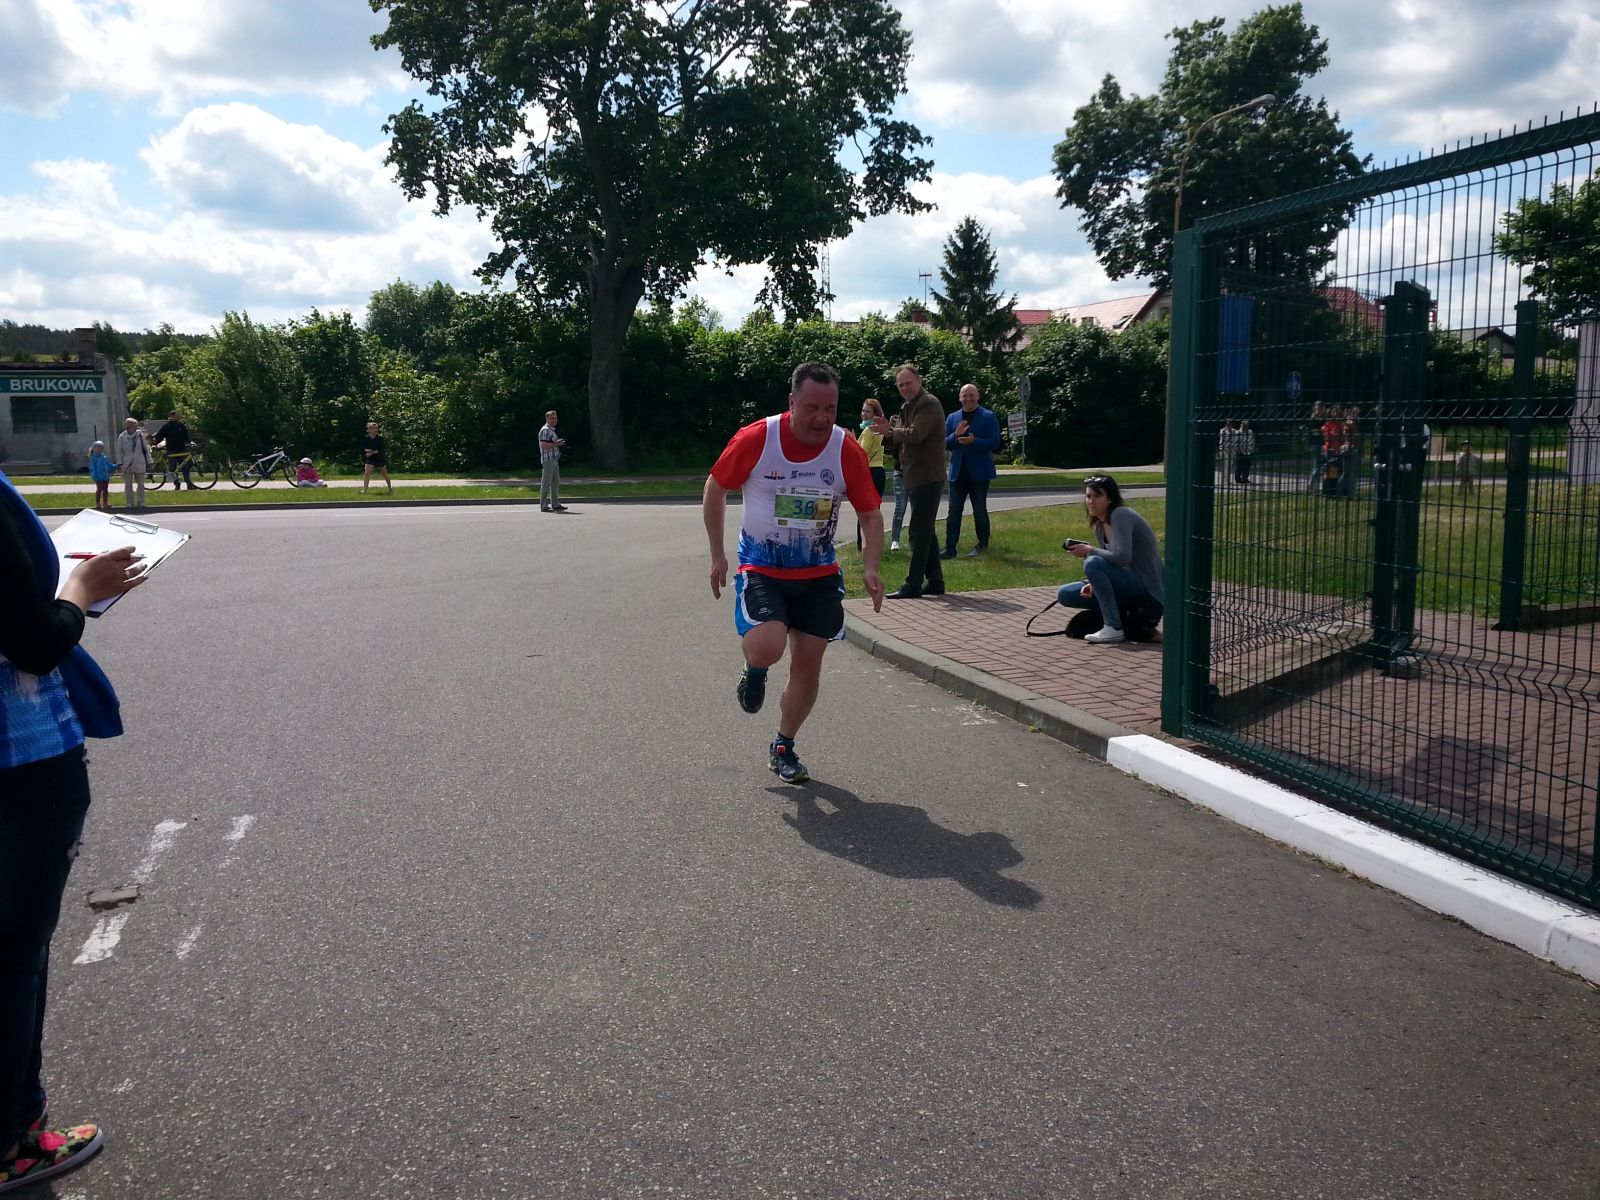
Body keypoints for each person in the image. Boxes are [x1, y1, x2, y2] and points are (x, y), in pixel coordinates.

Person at [0, 466, 145, 1194]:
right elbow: (32, 641)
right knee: (11, 956)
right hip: (18, 758)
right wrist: (80, 590)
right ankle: (11, 1139)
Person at [703, 361, 885, 785]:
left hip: (818, 575)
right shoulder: (758, 438)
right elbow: (715, 488)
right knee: (767, 645)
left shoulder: (845, 449)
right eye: (812, 408)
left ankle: (784, 745)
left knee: (808, 664)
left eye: (830, 408)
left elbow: (870, 514)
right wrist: (717, 555)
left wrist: (871, 566)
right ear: (792, 402)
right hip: (762, 568)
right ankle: (755, 671)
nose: (822, 418)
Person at [1058, 474, 1164, 645]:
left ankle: (1113, 627)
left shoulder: (1120, 515)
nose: (1091, 501)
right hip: (1126, 582)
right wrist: (1094, 583)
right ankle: (1121, 617)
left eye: (1097, 496)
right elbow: (1110, 562)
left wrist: (1089, 550)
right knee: (1065, 594)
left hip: (1147, 587)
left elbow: (1123, 558)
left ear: (1110, 498)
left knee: (1092, 562)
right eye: (1088, 496)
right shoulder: (1099, 525)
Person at [870, 365, 946, 598]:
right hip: (913, 475)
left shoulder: (929, 403)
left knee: (918, 532)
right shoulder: (907, 406)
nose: (904, 388)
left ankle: (913, 584)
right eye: (900, 385)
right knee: (926, 531)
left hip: (928, 475)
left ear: (919, 380)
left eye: (908, 383)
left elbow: (916, 434)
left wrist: (892, 431)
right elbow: (899, 439)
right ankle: (935, 581)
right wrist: (887, 433)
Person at [941, 382, 1000, 558]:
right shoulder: (952, 418)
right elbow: (943, 443)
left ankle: (982, 545)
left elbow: (994, 442)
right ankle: (950, 548)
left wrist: (974, 441)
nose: (968, 399)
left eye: (971, 395)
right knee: (953, 512)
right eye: (965, 395)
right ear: (960, 398)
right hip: (957, 473)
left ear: (978, 396)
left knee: (979, 511)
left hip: (979, 473)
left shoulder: (988, 416)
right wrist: (956, 435)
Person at [854, 398, 887, 550]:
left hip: (870, 472)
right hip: (879, 471)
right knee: (874, 512)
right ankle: (874, 544)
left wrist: (852, 442)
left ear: (875, 414)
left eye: (868, 411)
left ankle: (862, 546)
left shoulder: (869, 430)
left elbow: (862, 453)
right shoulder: (880, 428)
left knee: (864, 512)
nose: (864, 414)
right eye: (863, 411)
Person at [151, 409, 194, 490]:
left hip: (182, 449)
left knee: (185, 468)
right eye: (176, 416)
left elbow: (186, 436)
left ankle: (189, 485)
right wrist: (154, 444)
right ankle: (177, 484)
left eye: (178, 416)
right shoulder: (167, 426)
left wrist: (190, 442)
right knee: (173, 468)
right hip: (171, 450)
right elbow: (159, 436)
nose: (178, 417)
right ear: (171, 416)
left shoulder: (181, 425)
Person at [114, 418, 152, 510]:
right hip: (127, 463)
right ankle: (130, 502)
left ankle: (141, 502)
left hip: (139, 461)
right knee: (128, 484)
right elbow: (119, 451)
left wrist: (149, 460)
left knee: (140, 484)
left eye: (136, 426)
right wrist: (119, 463)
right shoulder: (122, 436)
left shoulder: (140, 435)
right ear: (128, 426)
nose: (135, 428)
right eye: (134, 426)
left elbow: (145, 448)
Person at [538, 410, 568, 513]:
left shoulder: (551, 430)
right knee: (546, 482)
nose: (554, 420)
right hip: (548, 460)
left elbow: (549, 443)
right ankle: (544, 506)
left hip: (554, 459)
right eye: (552, 418)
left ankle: (555, 504)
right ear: (547, 419)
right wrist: (556, 444)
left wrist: (556, 443)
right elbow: (543, 445)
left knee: (555, 482)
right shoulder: (545, 430)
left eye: (555, 418)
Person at [360, 421, 393, 494]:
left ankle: (390, 488)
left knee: (384, 474)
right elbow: (363, 448)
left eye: (376, 428)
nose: (375, 430)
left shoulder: (379, 438)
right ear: (369, 429)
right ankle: (365, 490)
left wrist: (371, 452)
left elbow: (380, 450)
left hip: (379, 457)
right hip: (371, 458)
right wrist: (367, 451)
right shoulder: (367, 438)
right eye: (373, 428)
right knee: (367, 473)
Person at [87, 442, 112, 512]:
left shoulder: (104, 457)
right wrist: (95, 477)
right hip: (98, 477)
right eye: (98, 447)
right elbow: (92, 468)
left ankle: (105, 503)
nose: (99, 449)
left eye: (101, 447)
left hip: (105, 477)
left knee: (105, 490)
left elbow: (108, 465)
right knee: (99, 489)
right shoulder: (93, 458)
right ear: (94, 449)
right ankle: (97, 503)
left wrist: (116, 466)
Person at [1233, 419, 1256, 486]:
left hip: (1248, 450)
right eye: (1244, 425)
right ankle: (1237, 478)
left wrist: (1252, 447)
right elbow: (1235, 442)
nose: (1245, 427)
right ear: (1241, 425)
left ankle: (1245, 477)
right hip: (1240, 451)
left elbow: (1252, 440)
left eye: (1246, 425)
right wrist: (1237, 449)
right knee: (1239, 466)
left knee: (1247, 465)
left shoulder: (1250, 432)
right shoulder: (1238, 433)